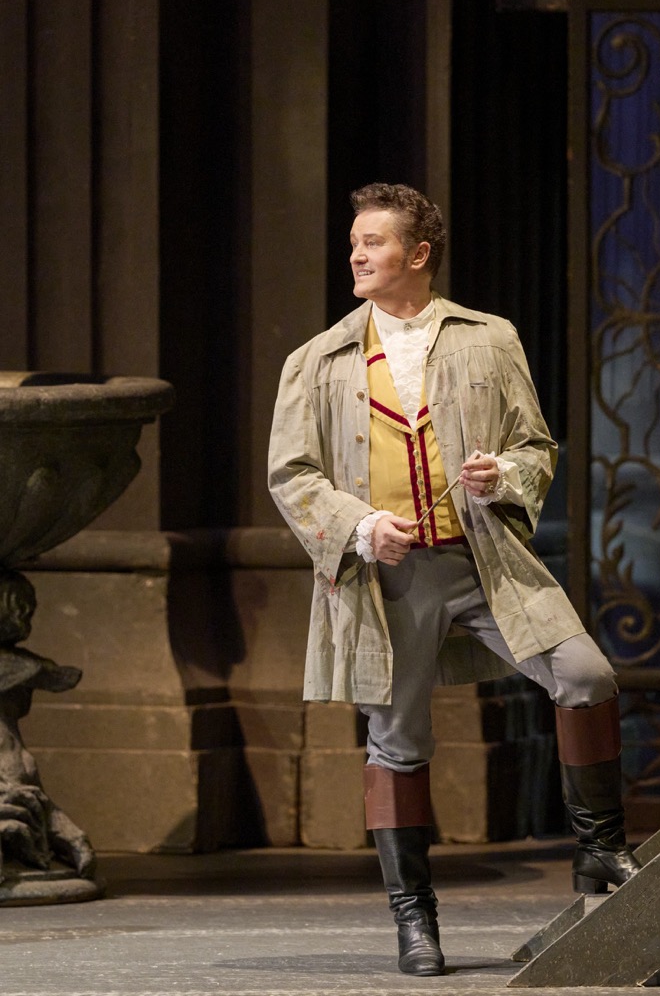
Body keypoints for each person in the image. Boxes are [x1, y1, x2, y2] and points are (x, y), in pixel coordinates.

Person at [267, 183, 640, 977]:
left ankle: (599, 847)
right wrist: (360, 526)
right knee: (398, 741)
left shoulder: (488, 339)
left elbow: (535, 447)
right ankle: (414, 918)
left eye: (372, 242)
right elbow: (292, 475)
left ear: (418, 253)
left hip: (483, 562)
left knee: (584, 674)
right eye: (354, 242)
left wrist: (501, 474)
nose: (356, 255)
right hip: (389, 580)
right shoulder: (318, 360)